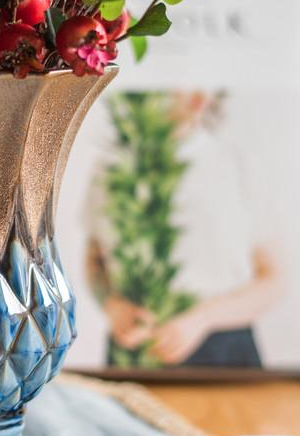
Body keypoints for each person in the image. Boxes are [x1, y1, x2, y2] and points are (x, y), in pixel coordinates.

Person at [86, 91, 287, 368]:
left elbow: (274, 279)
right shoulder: (111, 168)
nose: (195, 89)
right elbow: (95, 259)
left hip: (225, 351)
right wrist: (114, 306)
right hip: (134, 348)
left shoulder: (235, 163)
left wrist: (202, 319)